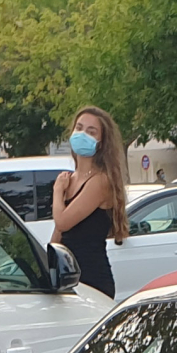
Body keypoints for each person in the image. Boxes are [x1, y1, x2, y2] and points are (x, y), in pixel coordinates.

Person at [51, 106, 128, 299]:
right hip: (69, 277)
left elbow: (62, 221)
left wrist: (57, 191)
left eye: (91, 131)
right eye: (79, 128)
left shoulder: (100, 181)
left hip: (92, 278)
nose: (82, 134)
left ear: (101, 143)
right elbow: (60, 233)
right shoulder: (72, 178)